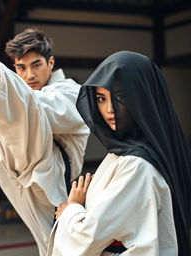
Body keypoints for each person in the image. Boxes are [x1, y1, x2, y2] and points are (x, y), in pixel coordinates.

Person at [0, 6, 90, 256]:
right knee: (51, 248)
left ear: (51, 63)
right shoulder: (27, 98)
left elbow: (33, 109)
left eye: (36, 65)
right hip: (19, 179)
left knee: (66, 246)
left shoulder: (71, 92)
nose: (29, 75)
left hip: (52, 183)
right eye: (20, 68)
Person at [47, 51, 191, 256]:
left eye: (120, 97)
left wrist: (71, 209)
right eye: (100, 98)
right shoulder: (125, 154)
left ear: (143, 98)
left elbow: (89, 239)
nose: (109, 109)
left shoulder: (137, 165)